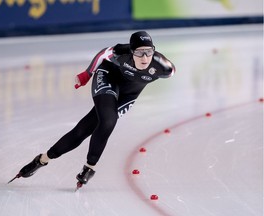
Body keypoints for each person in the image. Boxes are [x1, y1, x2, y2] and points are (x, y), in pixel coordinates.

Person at [9, 31, 176, 188]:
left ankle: (42, 160)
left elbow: (172, 71)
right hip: (108, 77)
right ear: (131, 51)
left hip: (129, 94)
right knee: (108, 120)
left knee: (84, 129)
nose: (144, 57)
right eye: (139, 52)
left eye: (148, 52)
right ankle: (90, 166)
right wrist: (87, 74)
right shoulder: (121, 52)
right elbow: (104, 53)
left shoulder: (164, 67)